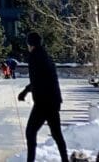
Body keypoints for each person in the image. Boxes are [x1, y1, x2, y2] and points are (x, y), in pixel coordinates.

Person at [18, 32, 67, 162]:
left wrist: (25, 91)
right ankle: (65, 160)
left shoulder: (35, 57)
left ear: (30, 44)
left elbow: (37, 80)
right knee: (57, 134)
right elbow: (43, 78)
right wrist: (26, 90)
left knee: (30, 132)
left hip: (43, 102)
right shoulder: (46, 56)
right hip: (53, 100)